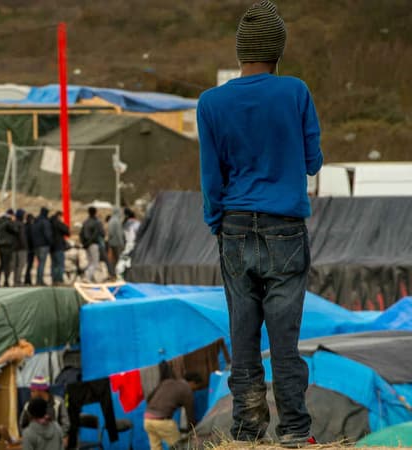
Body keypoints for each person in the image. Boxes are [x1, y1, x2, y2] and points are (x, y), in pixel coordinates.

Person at [197, 1, 323, 446]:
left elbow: (211, 178)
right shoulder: (296, 92)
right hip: (286, 226)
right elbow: (312, 163)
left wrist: (218, 222)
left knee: (243, 337)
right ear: (278, 52)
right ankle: (294, 431)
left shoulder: (210, 102)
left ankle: (248, 432)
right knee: (285, 343)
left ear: (239, 53)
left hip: (233, 226)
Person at [144, 363, 202, 450]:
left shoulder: (167, 382)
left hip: (147, 420)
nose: (195, 390)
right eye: (196, 387)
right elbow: (189, 415)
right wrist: (193, 431)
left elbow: (149, 398)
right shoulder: (187, 390)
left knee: (156, 448)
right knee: (178, 447)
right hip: (163, 421)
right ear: (192, 383)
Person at [19, 376, 70, 442]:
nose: (30, 394)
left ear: (40, 391)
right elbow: (22, 424)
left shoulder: (58, 402)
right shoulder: (28, 404)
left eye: (32, 391)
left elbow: (66, 424)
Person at [0, 209, 18, 288]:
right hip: (7, 245)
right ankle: (6, 281)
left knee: (1, 263)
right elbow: (16, 230)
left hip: (0, 245)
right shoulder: (8, 222)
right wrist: (13, 221)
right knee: (7, 264)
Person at [79, 207, 104, 283]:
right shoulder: (97, 222)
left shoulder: (85, 222)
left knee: (90, 262)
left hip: (86, 245)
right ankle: (87, 276)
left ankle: (88, 277)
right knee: (94, 263)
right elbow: (99, 233)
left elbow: (81, 234)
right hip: (93, 244)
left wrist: (84, 243)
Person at [31, 207, 53, 286]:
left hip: (36, 245)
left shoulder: (35, 221)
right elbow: (47, 234)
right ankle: (39, 281)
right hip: (43, 245)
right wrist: (50, 243)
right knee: (42, 263)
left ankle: (38, 280)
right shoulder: (45, 222)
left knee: (39, 263)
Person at [49, 211, 69, 286]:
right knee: (60, 264)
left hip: (51, 247)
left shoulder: (49, 223)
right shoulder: (58, 223)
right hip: (59, 246)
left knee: (54, 264)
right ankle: (59, 280)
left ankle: (54, 279)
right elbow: (67, 231)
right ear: (59, 216)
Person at [11, 209, 28, 287]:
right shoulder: (21, 225)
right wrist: (25, 246)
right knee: (21, 265)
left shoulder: (13, 223)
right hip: (21, 248)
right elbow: (22, 237)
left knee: (16, 265)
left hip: (14, 248)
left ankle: (15, 281)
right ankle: (18, 281)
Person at [107, 208, 124, 280]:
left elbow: (110, 233)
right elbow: (119, 233)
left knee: (113, 260)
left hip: (111, 243)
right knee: (118, 259)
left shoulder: (111, 220)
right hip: (117, 243)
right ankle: (117, 274)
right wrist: (121, 243)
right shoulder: (117, 221)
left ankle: (112, 274)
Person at [24, 213, 35, 286]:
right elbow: (32, 238)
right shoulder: (31, 227)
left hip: (26, 248)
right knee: (29, 265)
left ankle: (27, 279)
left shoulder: (24, 226)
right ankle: (27, 279)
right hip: (30, 248)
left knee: (28, 265)